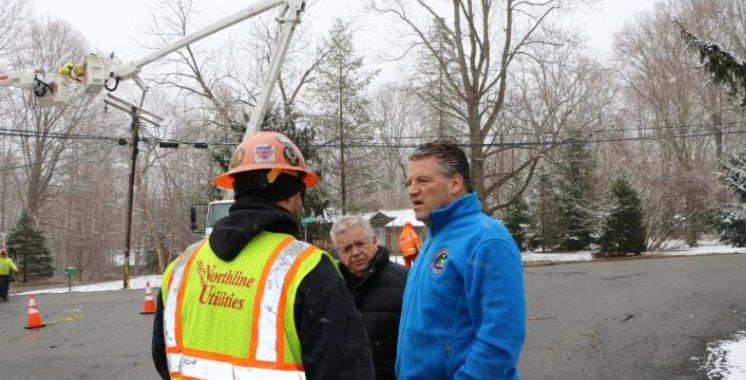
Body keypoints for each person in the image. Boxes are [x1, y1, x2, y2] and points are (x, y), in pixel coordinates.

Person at [152, 131, 374, 380]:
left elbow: (165, 359)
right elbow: (346, 373)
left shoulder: (182, 267)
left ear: (236, 190)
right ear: (292, 193)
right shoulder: (307, 269)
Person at [396, 139, 526, 380]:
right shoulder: (433, 238)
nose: (412, 190)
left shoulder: (487, 239)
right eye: (410, 182)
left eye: (423, 180)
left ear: (455, 183)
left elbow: (501, 338)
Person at [330, 215, 407, 380]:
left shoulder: (405, 281)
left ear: (374, 241)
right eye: (347, 248)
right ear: (338, 253)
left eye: (360, 244)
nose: (355, 252)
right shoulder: (331, 287)